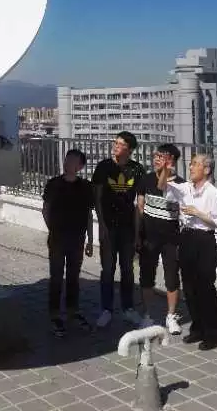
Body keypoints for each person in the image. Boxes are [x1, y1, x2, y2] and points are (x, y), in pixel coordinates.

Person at [159, 153, 217, 350]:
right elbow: (162, 186)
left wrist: (198, 213)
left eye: (195, 164)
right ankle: (197, 328)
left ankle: (212, 334)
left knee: (205, 286)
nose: (191, 167)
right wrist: (165, 169)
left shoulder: (213, 193)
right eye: (191, 164)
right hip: (187, 236)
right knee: (188, 286)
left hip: (204, 240)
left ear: (206, 169)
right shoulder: (185, 187)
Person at [92, 131, 146, 328]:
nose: (115, 146)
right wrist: (101, 225)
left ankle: (128, 308)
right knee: (107, 269)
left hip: (127, 227)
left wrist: (138, 232)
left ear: (129, 150)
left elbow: (140, 202)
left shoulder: (137, 169)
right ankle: (106, 309)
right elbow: (97, 198)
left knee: (127, 269)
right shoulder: (104, 167)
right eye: (115, 143)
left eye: (121, 144)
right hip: (108, 226)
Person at [42, 149, 95, 337]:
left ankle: (73, 310)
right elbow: (45, 210)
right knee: (56, 277)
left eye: (72, 160)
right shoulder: (53, 184)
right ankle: (55, 314)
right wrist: (53, 229)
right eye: (66, 159)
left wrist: (90, 240)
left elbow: (89, 214)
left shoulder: (85, 187)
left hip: (77, 239)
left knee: (73, 277)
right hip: (58, 239)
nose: (67, 163)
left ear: (80, 166)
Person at [136, 144, 185, 334]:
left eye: (161, 156)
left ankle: (171, 315)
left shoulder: (180, 184)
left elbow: (165, 190)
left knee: (172, 278)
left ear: (171, 160)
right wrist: (140, 233)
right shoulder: (146, 179)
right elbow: (140, 205)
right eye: (155, 155)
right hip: (149, 238)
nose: (156, 159)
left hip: (171, 239)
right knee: (147, 276)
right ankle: (148, 315)